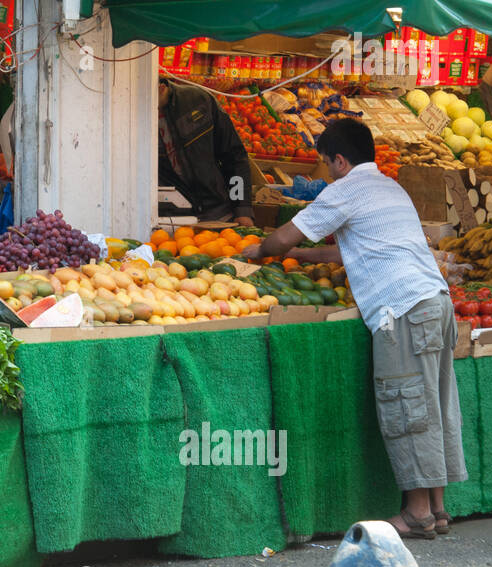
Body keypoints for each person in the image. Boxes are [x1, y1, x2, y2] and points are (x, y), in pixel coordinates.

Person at [241, 118, 466, 539]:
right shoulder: (389, 188)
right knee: (433, 405)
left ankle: (416, 513)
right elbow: (340, 248)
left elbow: (284, 238)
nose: (326, 173)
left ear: (341, 161)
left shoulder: (345, 191)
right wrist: (304, 257)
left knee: (407, 407)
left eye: (326, 165)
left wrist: (262, 250)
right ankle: (436, 508)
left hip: (401, 310)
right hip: (435, 303)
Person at [159, 80, 254, 226]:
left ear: (161, 89)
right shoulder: (131, 117)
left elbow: (234, 157)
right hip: (171, 218)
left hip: (217, 212)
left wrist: (242, 207)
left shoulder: (199, 100)